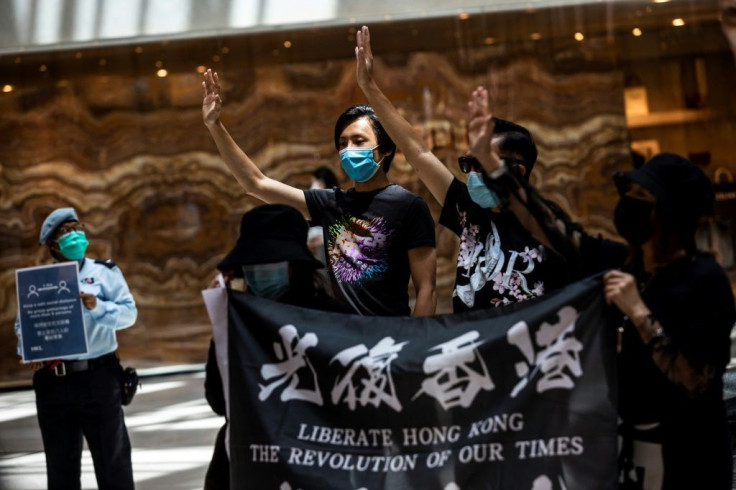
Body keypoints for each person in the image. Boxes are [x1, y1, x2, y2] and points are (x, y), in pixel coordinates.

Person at [466, 87, 735, 489]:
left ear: (670, 214)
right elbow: (553, 228)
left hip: (690, 455)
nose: (629, 203)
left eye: (642, 197)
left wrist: (638, 312)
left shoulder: (704, 280)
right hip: (629, 450)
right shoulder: (619, 261)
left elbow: (695, 379)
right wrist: (490, 163)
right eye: (628, 194)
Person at [354, 26, 569, 312]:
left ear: (516, 173)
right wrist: (369, 87)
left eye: (482, 163)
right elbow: (418, 152)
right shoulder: (468, 209)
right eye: (468, 164)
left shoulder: (545, 223)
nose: (472, 175)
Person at [202, 69, 437, 316]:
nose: (348, 150)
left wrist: (414, 347)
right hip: (339, 338)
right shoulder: (330, 203)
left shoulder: (408, 205)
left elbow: (426, 290)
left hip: (389, 339)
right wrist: (215, 125)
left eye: (358, 141)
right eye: (342, 143)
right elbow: (255, 184)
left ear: (386, 149)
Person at [203, 203, 352, 490]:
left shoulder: (333, 318)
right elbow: (219, 401)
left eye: (270, 263)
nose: (260, 272)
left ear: (294, 265)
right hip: (249, 459)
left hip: (314, 459)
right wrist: (220, 326)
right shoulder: (237, 322)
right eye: (253, 265)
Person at [14, 207, 137, 490]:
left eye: (77, 227)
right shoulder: (38, 282)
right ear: (52, 244)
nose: (75, 235)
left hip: (98, 377)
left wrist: (98, 306)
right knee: (61, 467)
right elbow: (23, 325)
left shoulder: (105, 272)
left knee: (112, 461)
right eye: (65, 232)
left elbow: (130, 314)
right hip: (53, 381)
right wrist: (28, 350)